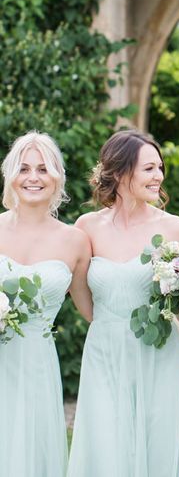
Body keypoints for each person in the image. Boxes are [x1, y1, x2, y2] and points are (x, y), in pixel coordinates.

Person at [67, 130, 179, 477]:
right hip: (105, 354)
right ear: (120, 172)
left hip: (157, 353)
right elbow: (85, 303)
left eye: (160, 168)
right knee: (106, 448)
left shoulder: (174, 228)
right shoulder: (86, 228)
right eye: (148, 169)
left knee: (157, 444)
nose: (158, 176)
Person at [0, 131, 92, 476]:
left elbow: (94, 311)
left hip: (38, 367)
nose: (33, 178)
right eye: (23, 169)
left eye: (43, 169)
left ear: (58, 177)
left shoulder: (75, 241)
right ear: (10, 176)